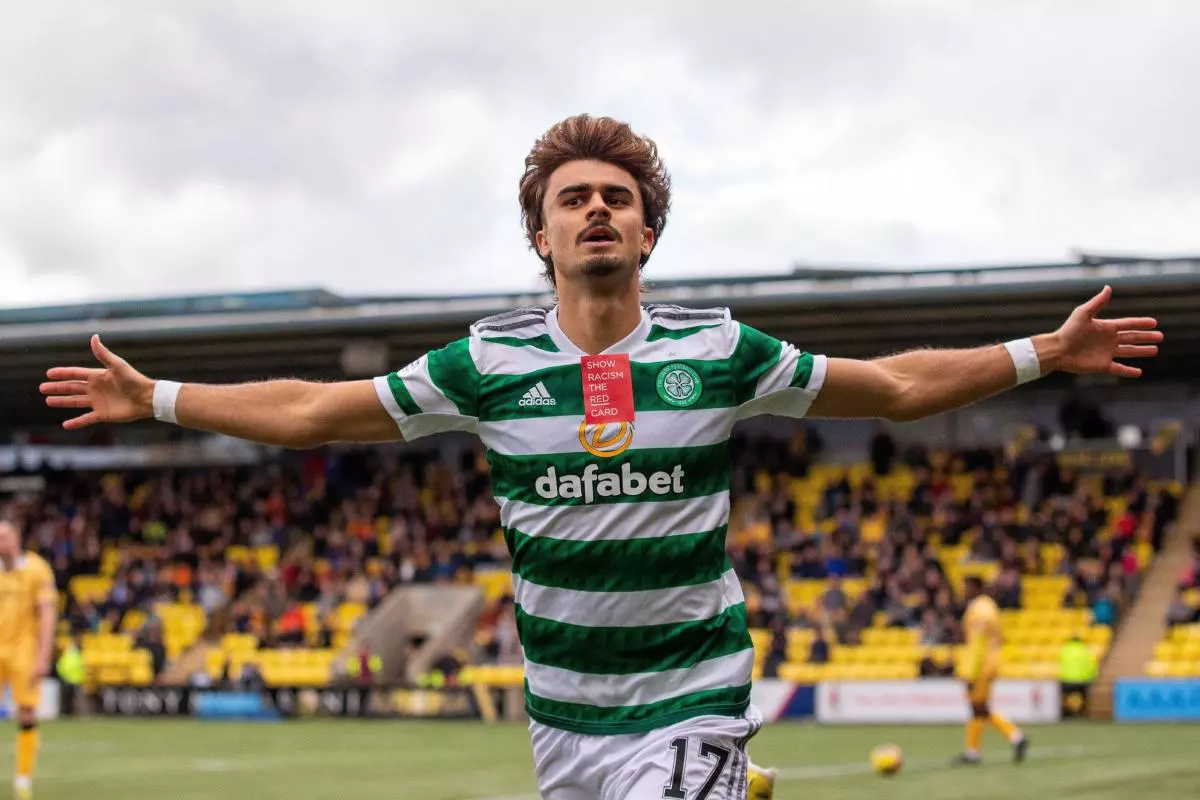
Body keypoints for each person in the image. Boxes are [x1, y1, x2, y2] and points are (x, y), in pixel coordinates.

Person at [38, 114, 1162, 798]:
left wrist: (1041, 353)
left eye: (617, 200)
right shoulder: (485, 363)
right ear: (540, 234)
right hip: (564, 711)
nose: (596, 213)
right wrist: (161, 396)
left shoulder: (717, 349)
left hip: (690, 692)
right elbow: (315, 411)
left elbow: (901, 388)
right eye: (572, 200)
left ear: (648, 232)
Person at [0, 518, 58, 800]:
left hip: (24, 651)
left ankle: (23, 780)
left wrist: (43, 657)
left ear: (17, 538)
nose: (0, 542)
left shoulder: (37, 569)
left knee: (26, 712)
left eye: (4, 536)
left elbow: (47, 615)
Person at [954, 576, 1028, 765]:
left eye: (966, 587)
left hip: (981, 666)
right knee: (979, 709)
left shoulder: (979, 610)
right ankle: (976, 750)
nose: (964, 591)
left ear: (976, 588)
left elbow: (977, 644)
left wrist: (970, 673)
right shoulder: (990, 607)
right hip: (990, 662)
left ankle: (1014, 737)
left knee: (979, 708)